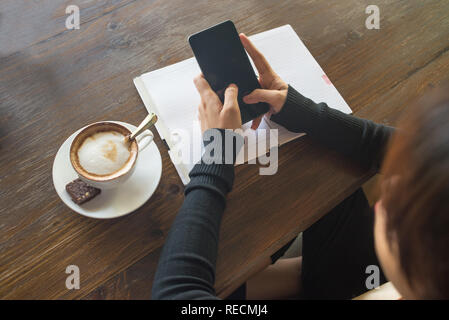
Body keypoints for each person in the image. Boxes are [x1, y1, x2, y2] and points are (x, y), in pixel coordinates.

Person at [151, 33, 449, 300]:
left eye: (397, 208)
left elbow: (176, 292)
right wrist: (300, 111)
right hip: (359, 276)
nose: (389, 187)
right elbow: (391, 146)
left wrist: (218, 154)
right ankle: (301, 276)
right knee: (335, 190)